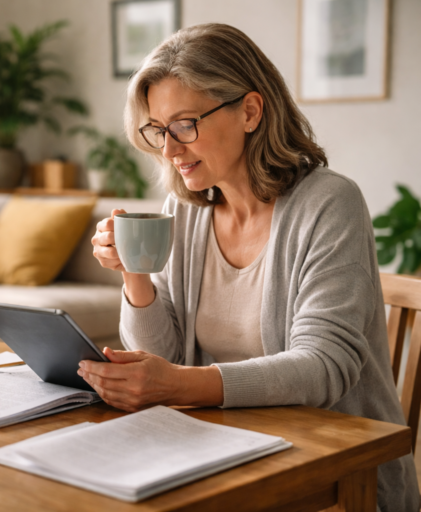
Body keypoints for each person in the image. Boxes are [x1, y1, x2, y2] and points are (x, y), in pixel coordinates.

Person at [81, 23, 418, 510]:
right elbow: (162, 352)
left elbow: (323, 367)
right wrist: (134, 271)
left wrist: (178, 383)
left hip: (338, 478)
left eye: (185, 125)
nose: (170, 150)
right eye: (158, 130)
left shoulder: (329, 204)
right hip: (219, 455)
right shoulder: (187, 211)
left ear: (250, 111)